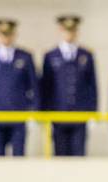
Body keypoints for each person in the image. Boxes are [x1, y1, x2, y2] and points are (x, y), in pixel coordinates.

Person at [0, 18, 37, 156]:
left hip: (18, 115)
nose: (6, 37)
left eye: (9, 33)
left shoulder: (25, 57)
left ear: (15, 34)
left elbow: (33, 87)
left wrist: (33, 112)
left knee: (18, 156)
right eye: (3, 34)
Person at [42, 15, 98, 157]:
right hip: (58, 114)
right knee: (60, 154)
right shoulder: (50, 56)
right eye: (66, 30)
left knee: (79, 155)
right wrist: (44, 113)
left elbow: (92, 86)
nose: (69, 34)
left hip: (80, 114)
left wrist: (93, 113)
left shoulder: (86, 55)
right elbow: (46, 87)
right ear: (60, 31)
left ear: (77, 31)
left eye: (72, 30)